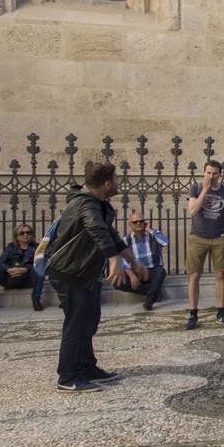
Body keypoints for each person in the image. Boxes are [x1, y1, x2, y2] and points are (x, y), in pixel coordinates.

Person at [47, 161, 147, 392]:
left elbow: (112, 235)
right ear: (106, 183)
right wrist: (114, 260)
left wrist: (133, 261)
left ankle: (87, 367)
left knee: (89, 319)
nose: (119, 183)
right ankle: (68, 376)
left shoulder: (98, 204)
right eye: (116, 179)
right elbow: (96, 229)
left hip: (84, 272)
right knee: (77, 323)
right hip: (70, 271)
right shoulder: (85, 203)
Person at [185, 159, 224, 330]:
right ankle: (193, 313)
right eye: (208, 173)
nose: (211, 176)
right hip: (198, 237)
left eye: (214, 173)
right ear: (203, 172)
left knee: (220, 276)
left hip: (218, 238)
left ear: (220, 174)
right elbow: (192, 211)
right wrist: (205, 190)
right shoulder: (196, 188)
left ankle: (221, 312)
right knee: (194, 276)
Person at [0, 222, 45, 312]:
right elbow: (0, 262)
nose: (25, 235)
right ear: (16, 236)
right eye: (22, 233)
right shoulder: (11, 247)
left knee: (38, 270)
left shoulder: (37, 247)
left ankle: (36, 300)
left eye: (28, 233)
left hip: (27, 279)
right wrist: (9, 269)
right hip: (10, 278)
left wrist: (25, 269)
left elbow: (41, 263)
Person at [115, 212, 167, 310]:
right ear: (130, 224)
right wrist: (131, 275)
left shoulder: (153, 234)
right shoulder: (127, 240)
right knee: (117, 282)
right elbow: (121, 259)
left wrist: (150, 231)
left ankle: (150, 300)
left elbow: (165, 242)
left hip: (152, 270)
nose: (139, 223)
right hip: (137, 272)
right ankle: (154, 291)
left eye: (141, 221)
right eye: (135, 222)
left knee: (161, 271)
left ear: (145, 223)